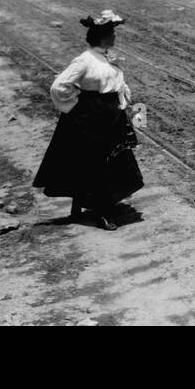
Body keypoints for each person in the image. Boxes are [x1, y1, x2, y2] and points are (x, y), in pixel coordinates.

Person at [33, 12, 143, 231]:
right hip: (93, 119)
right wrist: (77, 106)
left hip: (111, 116)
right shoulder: (85, 60)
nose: (114, 36)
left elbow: (117, 84)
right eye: (112, 33)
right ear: (102, 36)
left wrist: (121, 102)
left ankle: (97, 205)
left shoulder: (106, 57)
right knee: (95, 164)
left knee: (111, 162)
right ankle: (102, 212)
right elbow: (59, 85)